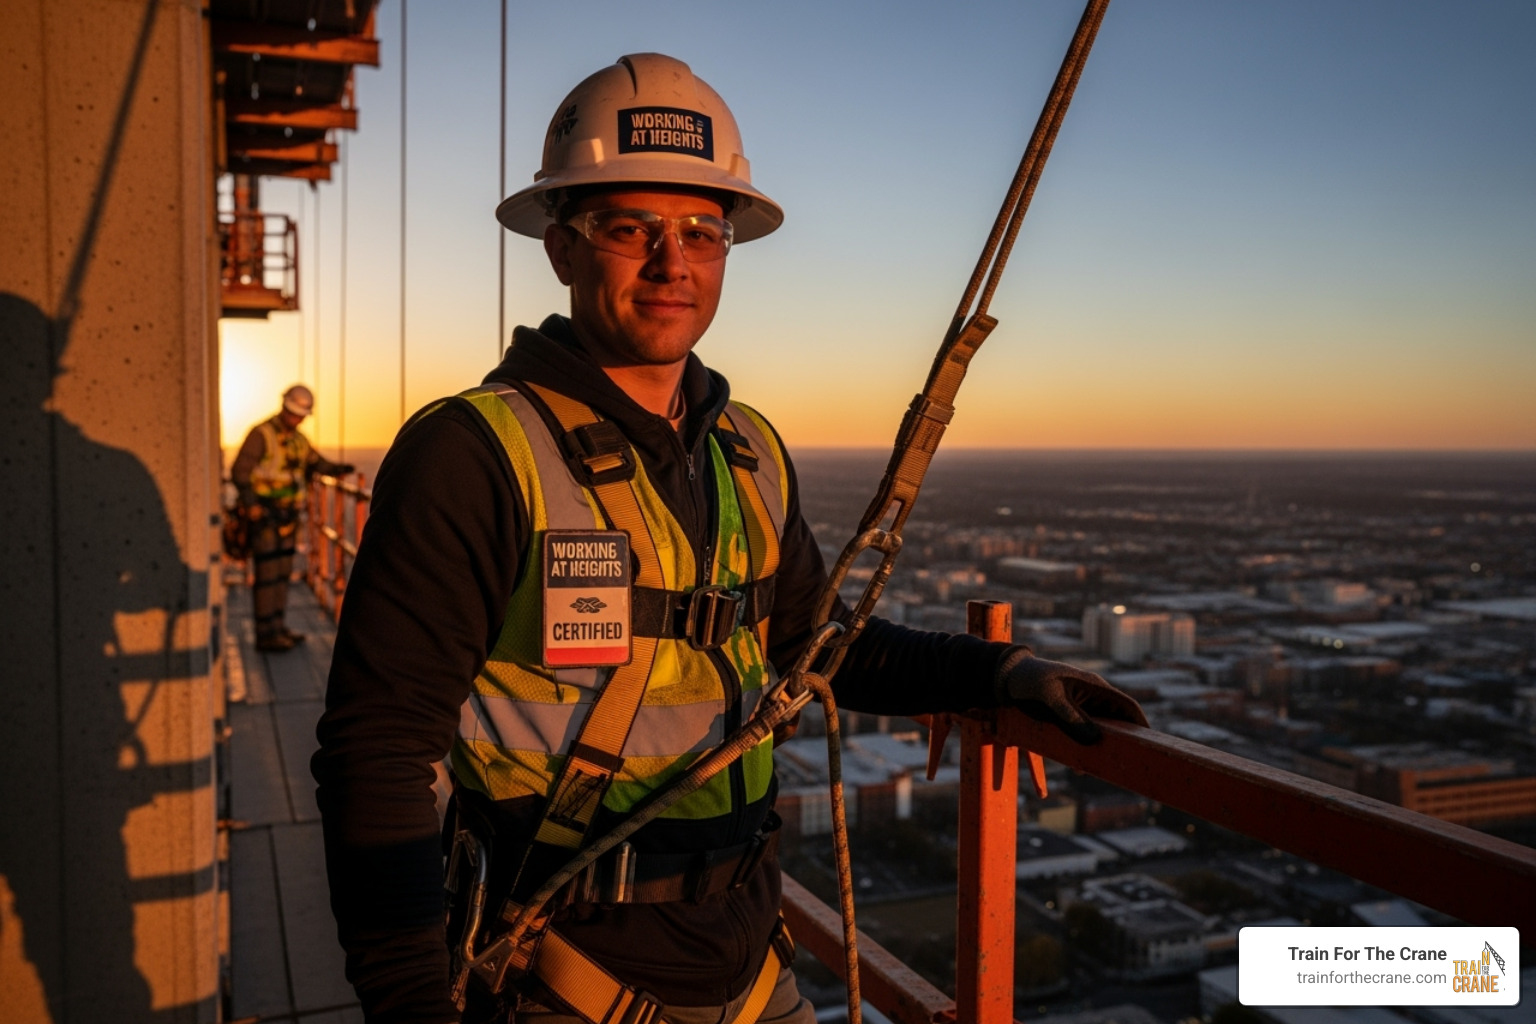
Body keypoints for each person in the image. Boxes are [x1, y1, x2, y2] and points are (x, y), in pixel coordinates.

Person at [312, 54, 1145, 1024]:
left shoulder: (745, 451)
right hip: (557, 974)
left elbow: (816, 645)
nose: (674, 262)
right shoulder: (474, 455)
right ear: (563, 247)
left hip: (751, 968)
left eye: (701, 232)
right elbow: (376, 753)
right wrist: (412, 1005)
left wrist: (994, 672)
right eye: (632, 228)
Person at [230, 384, 353, 651]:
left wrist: (338, 469)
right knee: (267, 575)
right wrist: (252, 505)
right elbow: (240, 471)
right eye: (296, 414)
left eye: (302, 415)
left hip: (287, 517)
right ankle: (266, 635)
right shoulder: (261, 434)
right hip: (264, 516)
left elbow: (315, 462)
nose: (298, 419)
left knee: (282, 573)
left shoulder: (299, 440)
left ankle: (277, 628)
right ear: (285, 408)